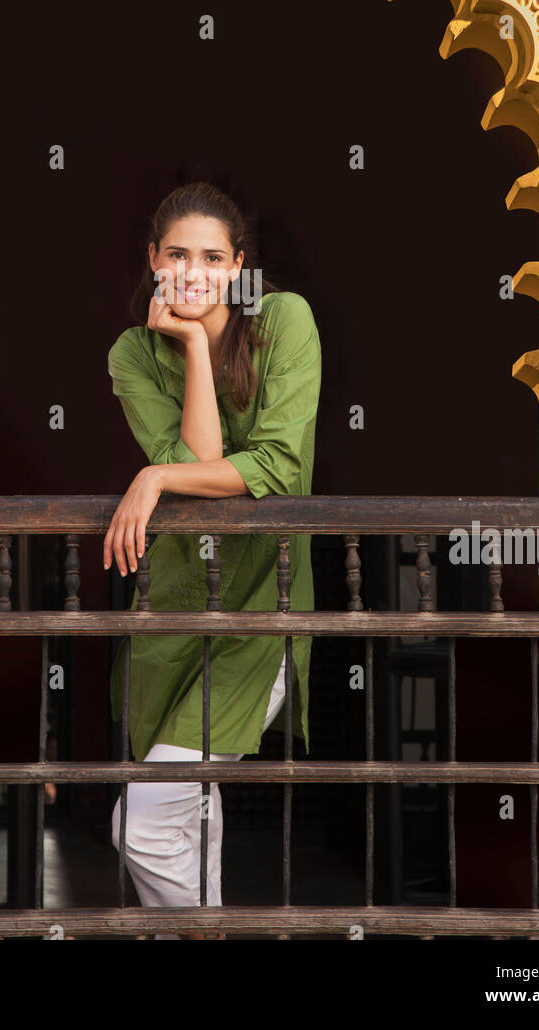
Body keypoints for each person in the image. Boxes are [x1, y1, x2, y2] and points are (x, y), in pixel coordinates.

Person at [103, 180, 322, 940]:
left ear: (237, 267)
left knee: (146, 823)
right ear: (153, 261)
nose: (194, 271)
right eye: (177, 255)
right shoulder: (134, 351)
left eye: (212, 257)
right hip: (171, 613)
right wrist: (193, 344)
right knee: (187, 818)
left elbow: (278, 469)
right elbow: (207, 471)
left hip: (262, 614)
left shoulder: (284, 320)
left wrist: (157, 475)